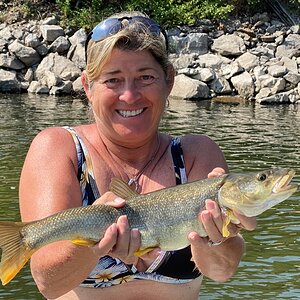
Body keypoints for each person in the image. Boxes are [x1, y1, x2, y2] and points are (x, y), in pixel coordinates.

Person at [19, 11, 256, 300]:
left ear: (168, 80)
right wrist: (94, 244)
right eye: (113, 80)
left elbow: (221, 271)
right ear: (87, 87)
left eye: (145, 77)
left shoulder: (197, 154)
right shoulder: (59, 148)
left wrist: (220, 240)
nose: (129, 96)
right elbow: (48, 283)